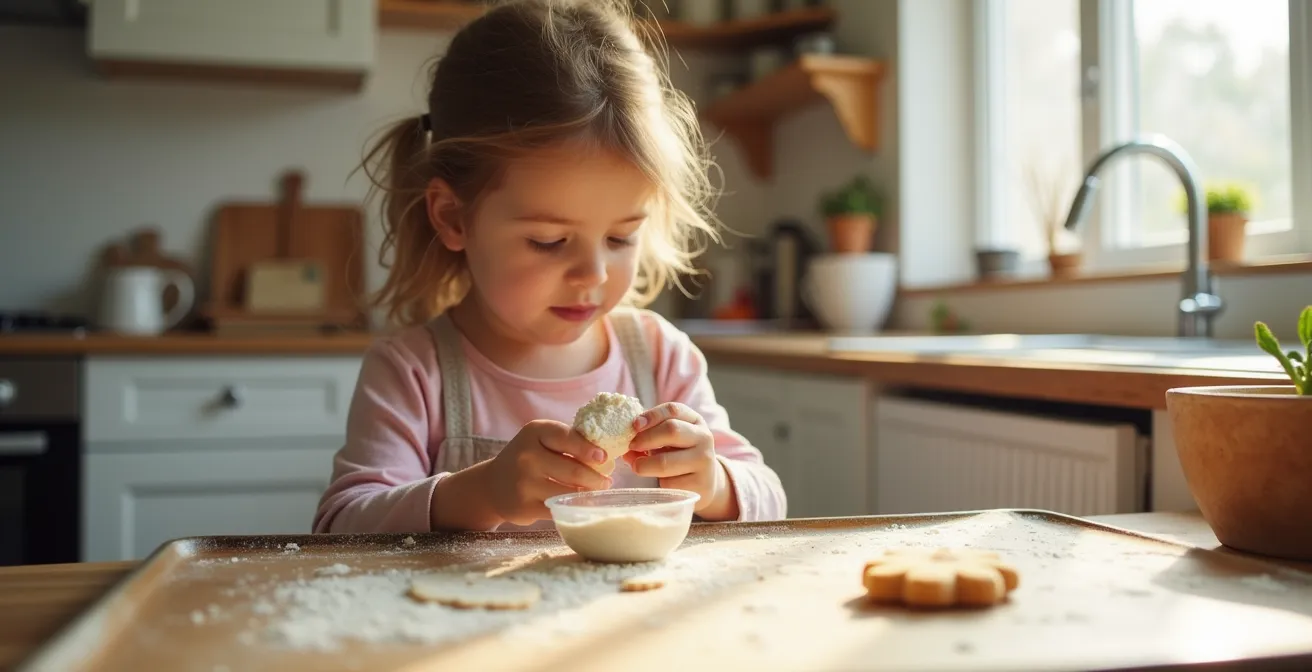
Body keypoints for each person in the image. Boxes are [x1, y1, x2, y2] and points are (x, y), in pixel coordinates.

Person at [312, 0, 786, 535]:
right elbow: (339, 526)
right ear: (453, 217)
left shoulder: (661, 359)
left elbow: (770, 500)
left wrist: (715, 482)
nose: (594, 274)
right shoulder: (413, 373)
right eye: (549, 240)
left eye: (620, 237)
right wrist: (482, 492)